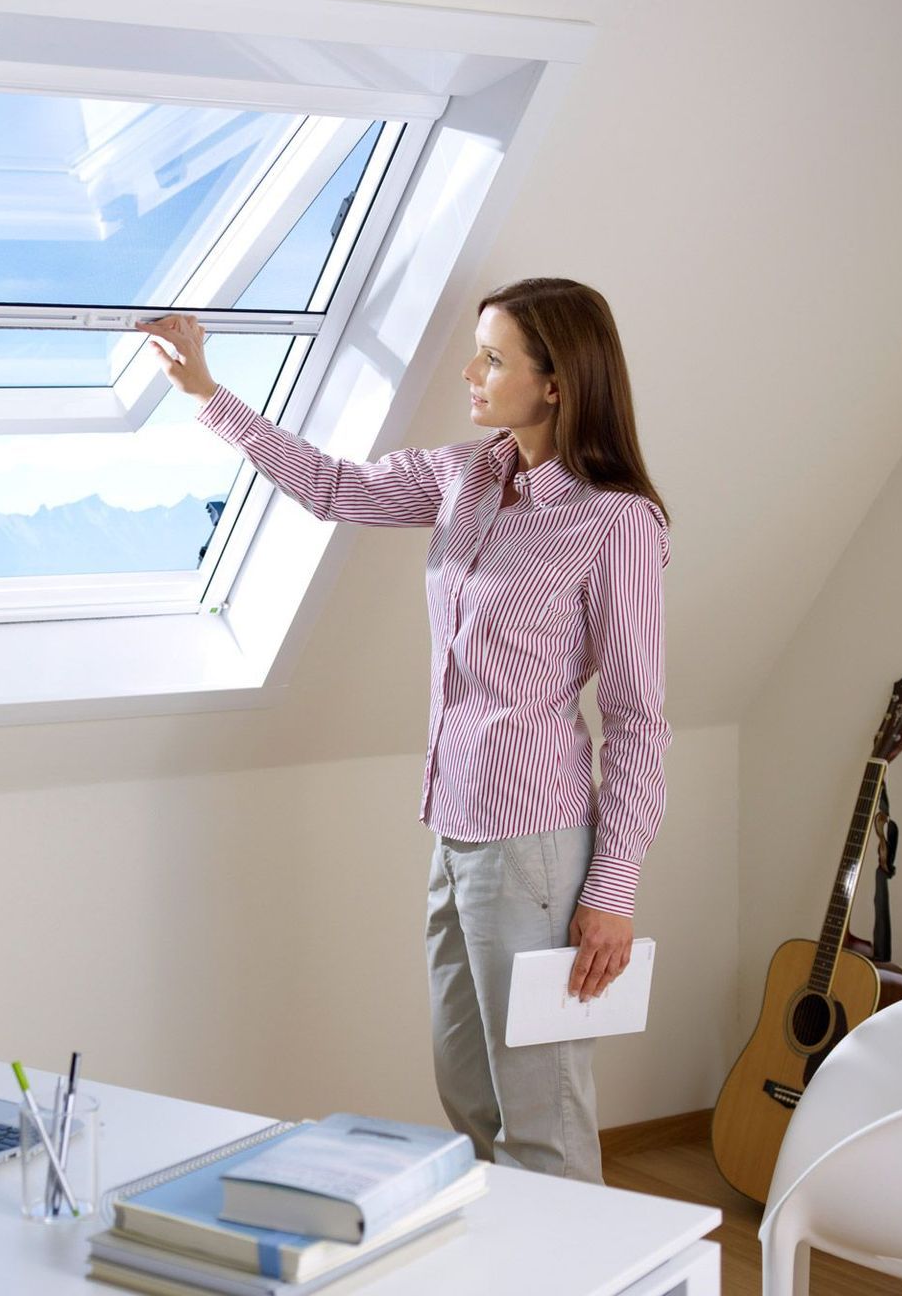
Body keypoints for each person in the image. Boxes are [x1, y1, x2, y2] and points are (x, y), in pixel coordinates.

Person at [139, 278, 670, 1185]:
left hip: (537, 844)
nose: (471, 371)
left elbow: (637, 721)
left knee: (540, 1109)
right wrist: (207, 396)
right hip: (454, 827)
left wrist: (612, 888)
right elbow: (334, 488)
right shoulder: (466, 477)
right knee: (466, 1091)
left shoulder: (615, 523)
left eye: (494, 357)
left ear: (557, 383)